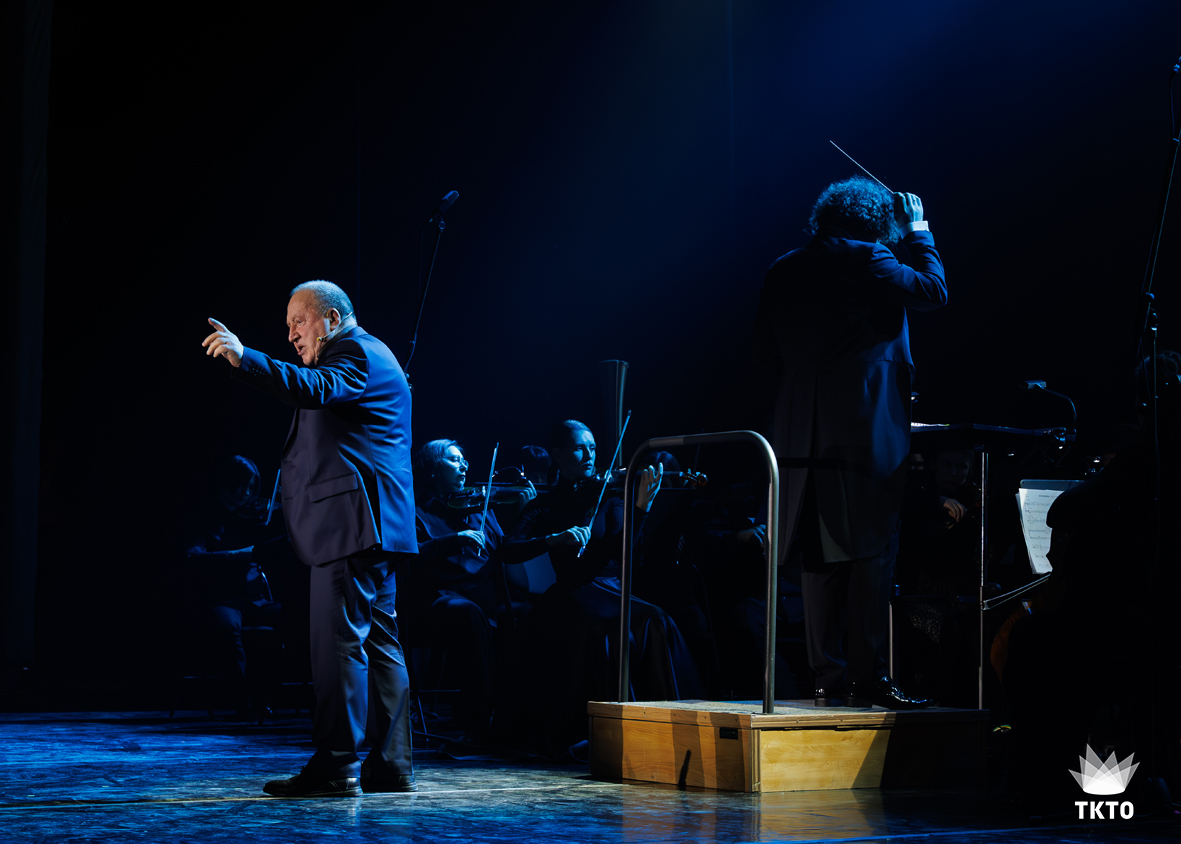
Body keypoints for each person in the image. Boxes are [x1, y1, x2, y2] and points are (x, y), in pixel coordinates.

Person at [202, 279, 417, 797]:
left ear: (332, 319)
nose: (292, 334)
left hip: (352, 524)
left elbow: (314, 388)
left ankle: (337, 765)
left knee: (338, 644)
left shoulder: (355, 353)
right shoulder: (370, 354)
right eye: (288, 325)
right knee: (380, 645)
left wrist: (245, 358)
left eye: (299, 321)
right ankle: (391, 765)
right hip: (375, 527)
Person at [752, 176, 947, 709]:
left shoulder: (784, 267)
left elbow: (763, 352)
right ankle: (869, 678)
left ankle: (827, 680)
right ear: (875, 220)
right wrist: (918, 230)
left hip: (799, 428)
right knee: (872, 551)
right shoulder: (870, 257)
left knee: (818, 555)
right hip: (863, 430)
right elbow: (933, 291)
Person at [496, 420, 703, 756]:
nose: (589, 455)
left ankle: (671, 728)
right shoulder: (545, 504)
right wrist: (554, 539)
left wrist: (641, 509)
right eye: (579, 448)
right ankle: (606, 733)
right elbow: (507, 549)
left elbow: (623, 552)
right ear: (558, 454)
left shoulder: (610, 495)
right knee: (609, 627)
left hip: (613, 587)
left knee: (656, 619)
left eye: (592, 448)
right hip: (573, 591)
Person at [404, 439, 530, 740]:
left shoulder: (478, 507)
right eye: (454, 460)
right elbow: (408, 556)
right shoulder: (414, 510)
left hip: (486, 595)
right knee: (467, 613)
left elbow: (505, 549)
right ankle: (476, 720)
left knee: (532, 614)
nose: (464, 466)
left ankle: (521, 716)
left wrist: (526, 515)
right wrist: (454, 540)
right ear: (432, 468)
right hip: (439, 597)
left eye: (464, 460)